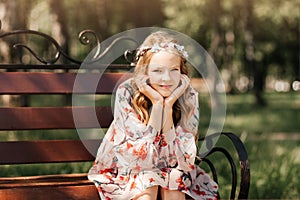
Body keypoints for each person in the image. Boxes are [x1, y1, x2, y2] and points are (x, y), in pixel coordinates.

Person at [88, 31, 218, 200]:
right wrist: (157, 104)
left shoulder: (189, 96)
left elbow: (180, 161)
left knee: (173, 182)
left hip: (170, 168)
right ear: (145, 72)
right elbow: (139, 161)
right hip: (126, 167)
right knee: (148, 182)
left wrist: (169, 105)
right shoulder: (127, 92)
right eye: (157, 70)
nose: (167, 78)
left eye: (174, 70)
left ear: (182, 70)